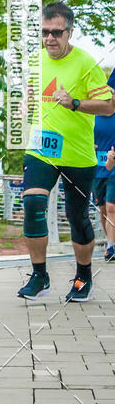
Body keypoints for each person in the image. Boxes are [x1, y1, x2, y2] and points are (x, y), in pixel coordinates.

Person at [18, 1, 113, 303]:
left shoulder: (87, 64)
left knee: (77, 218)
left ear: (70, 32)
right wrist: (25, 105)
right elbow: (31, 95)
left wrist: (75, 103)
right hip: (41, 149)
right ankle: (39, 275)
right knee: (33, 203)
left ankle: (83, 276)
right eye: (45, 32)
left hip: (77, 154)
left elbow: (109, 105)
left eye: (56, 33)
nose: (50, 39)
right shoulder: (34, 60)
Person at [93, 68, 115, 261]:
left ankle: (111, 247)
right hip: (96, 168)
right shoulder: (93, 113)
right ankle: (110, 241)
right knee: (102, 209)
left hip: (114, 166)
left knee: (111, 208)